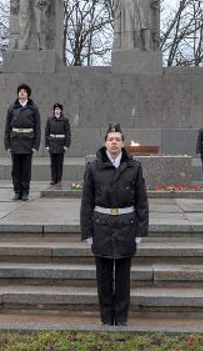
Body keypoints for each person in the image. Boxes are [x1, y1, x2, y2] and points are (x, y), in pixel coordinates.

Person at [80, 123, 149, 326]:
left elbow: (141, 201)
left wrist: (140, 231)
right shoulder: (93, 167)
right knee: (103, 278)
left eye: (118, 139)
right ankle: (106, 318)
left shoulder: (134, 167)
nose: (114, 142)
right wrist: (87, 232)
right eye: (111, 139)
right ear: (105, 142)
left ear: (123, 143)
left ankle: (121, 319)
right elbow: (87, 202)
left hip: (126, 227)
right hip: (101, 227)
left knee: (122, 278)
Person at [4, 83, 41, 201]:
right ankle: (17, 191)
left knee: (26, 169)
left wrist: (36, 144)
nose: (22, 92)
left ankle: (25, 191)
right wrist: (7, 144)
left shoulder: (33, 109)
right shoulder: (12, 108)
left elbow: (38, 128)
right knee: (15, 169)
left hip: (28, 142)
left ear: (28, 94)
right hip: (15, 141)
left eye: (24, 91)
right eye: (20, 91)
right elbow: (7, 128)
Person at [45, 102, 71, 186]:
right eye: (56, 109)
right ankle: (53, 179)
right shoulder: (50, 120)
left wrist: (67, 145)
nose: (57, 111)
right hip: (52, 143)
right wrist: (47, 144)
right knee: (53, 163)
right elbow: (47, 132)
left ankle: (59, 180)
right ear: (54, 110)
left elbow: (67, 133)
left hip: (60, 144)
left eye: (58, 109)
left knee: (59, 163)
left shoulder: (65, 120)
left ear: (61, 111)